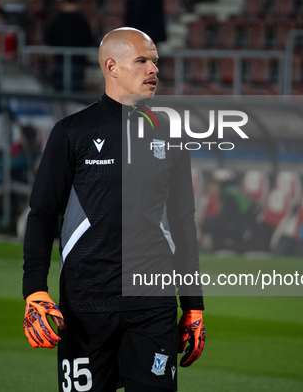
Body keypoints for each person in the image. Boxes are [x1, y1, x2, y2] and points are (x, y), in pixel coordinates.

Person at [22, 28, 205, 391]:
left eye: (155, 61)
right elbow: (42, 213)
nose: (154, 69)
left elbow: (184, 223)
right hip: (86, 306)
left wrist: (193, 304)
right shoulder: (72, 132)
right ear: (112, 66)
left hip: (153, 306)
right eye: (142, 61)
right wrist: (34, 290)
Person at [44, 0, 94, 91]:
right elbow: (89, 40)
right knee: (75, 93)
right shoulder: (82, 20)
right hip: (78, 62)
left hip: (60, 61)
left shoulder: (57, 19)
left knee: (59, 92)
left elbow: (49, 39)